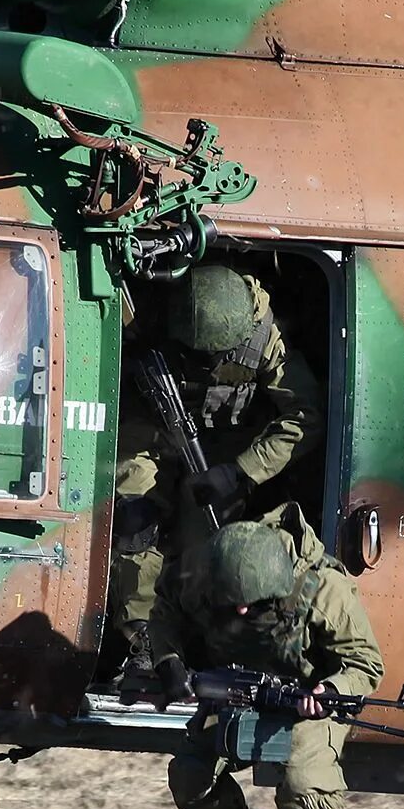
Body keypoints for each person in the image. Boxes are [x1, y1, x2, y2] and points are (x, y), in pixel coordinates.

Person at [146, 503, 383, 809]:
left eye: (249, 605)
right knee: (189, 780)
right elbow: (165, 612)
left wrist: (329, 692)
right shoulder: (201, 572)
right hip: (233, 694)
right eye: (229, 603)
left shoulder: (321, 589)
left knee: (304, 792)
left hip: (304, 700)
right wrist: (169, 661)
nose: (238, 613)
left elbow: (365, 664)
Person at [108, 261, 323, 680]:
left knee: (207, 546)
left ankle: (204, 651)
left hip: (221, 452)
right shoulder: (151, 315)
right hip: (148, 433)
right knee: (136, 521)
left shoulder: (262, 337)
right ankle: (144, 644)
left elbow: (306, 414)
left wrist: (240, 471)